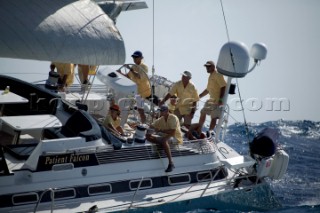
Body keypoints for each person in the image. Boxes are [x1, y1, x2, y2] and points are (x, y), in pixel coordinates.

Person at [117, 50, 158, 123]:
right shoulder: (133, 67)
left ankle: (143, 123)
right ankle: (125, 122)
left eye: (136, 57)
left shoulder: (144, 67)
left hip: (144, 92)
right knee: (135, 107)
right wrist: (120, 73)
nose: (134, 59)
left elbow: (139, 76)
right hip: (136, 92)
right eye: (133, 57)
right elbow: (128, 77)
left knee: (140, 110)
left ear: (141, 58)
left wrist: (130, 69)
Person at [146, 104, 183, 172]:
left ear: (167, 111)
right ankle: (164, 145)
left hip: (175, 136)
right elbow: (152, 126)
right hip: (165, 135)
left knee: (164, 140)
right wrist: (147, 127)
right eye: (160, 111)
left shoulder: (173, 117)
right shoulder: (161, 119)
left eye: (162, 111)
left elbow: (173, 132)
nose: (161, 112)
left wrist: (159, 130)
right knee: (147, 136)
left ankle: (171, 163)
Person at [198, 61, 226, 133]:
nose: (207, 68)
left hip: (217, 100)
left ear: (213, 66)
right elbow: (208, 90)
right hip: (211, 100)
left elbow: (223, 87)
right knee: (202, 112)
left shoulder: (218, 74)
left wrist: (220, 99)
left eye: (209, 66)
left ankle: (209, 133)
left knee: (214, 117)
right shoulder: (210, 76)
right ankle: (199, 129)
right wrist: (199, 96)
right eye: (206, 66)